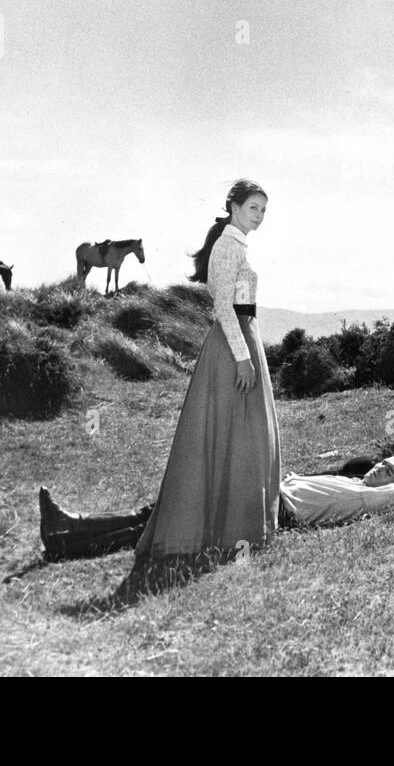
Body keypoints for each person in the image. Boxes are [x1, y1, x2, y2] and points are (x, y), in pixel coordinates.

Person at [130, 179, 281, 569]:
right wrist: (243, 356)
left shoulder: (237, 246)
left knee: (246, 436)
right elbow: (223, 308)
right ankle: (219, 529)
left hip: (245, 339)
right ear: (233, 207)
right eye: (253, 208)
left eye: (264, 210)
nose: (259, 216)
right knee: (233, 435)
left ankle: (238, 526)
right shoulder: (226, 248)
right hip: (233, 347)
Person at [40, 454, 394, 560]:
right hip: (265, 496)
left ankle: (70, 534)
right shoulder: (352, 481)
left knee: (168, 518)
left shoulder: (369, 498)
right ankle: (70, 531)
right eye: (386, 461)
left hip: (273, 511)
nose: (381, 467)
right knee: (165, 511)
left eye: (390, 470)